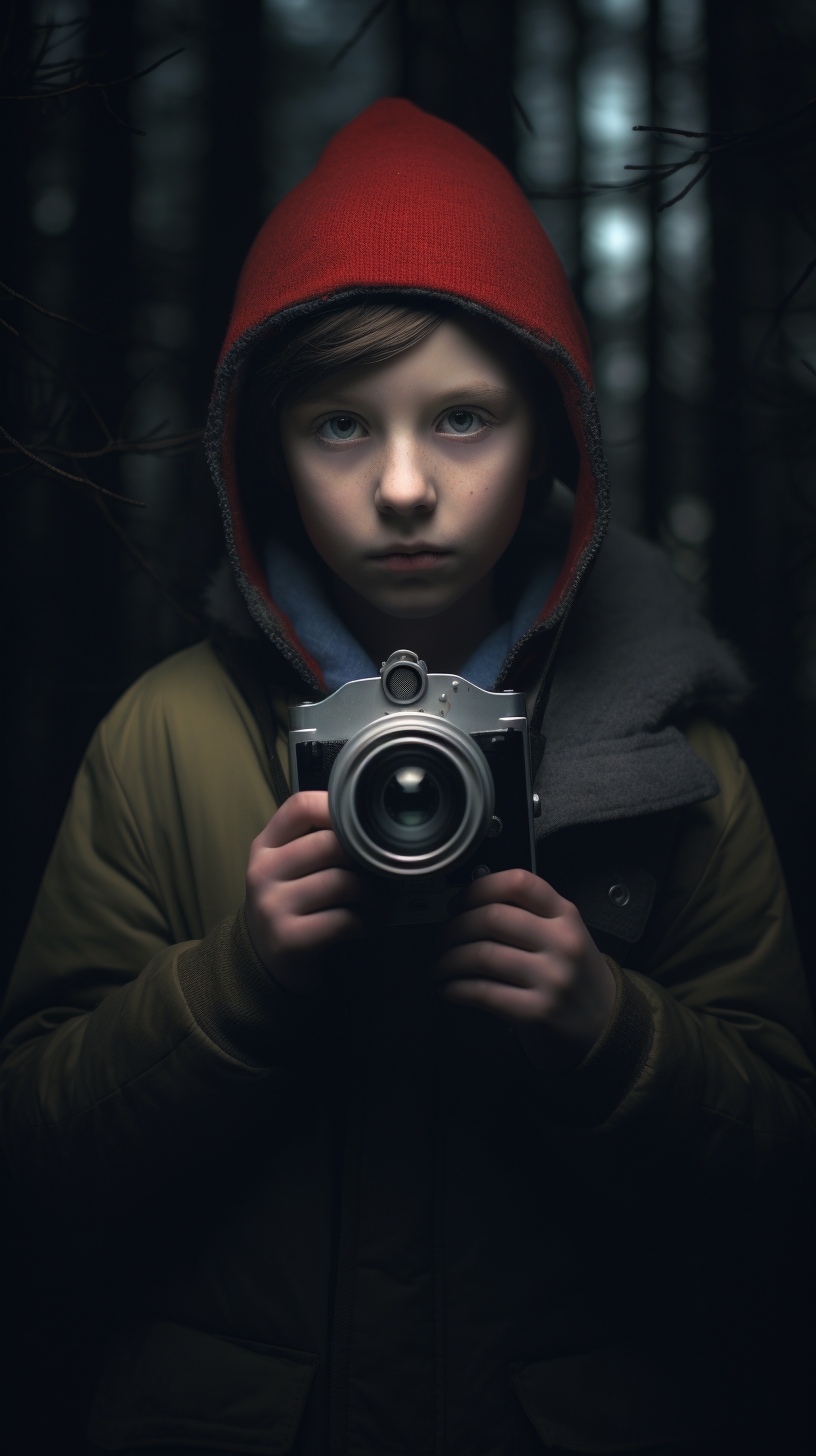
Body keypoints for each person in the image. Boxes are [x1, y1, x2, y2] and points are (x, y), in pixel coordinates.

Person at [1, 99, 813, 1456]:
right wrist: (232, 985)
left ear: (554, 440)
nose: (401, 487)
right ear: (258, 447)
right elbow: (34, 1176)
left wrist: (610, 1032)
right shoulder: (165, 740)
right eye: (337, 425)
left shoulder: (678, 761)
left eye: (461, 420)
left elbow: (782, 1188)